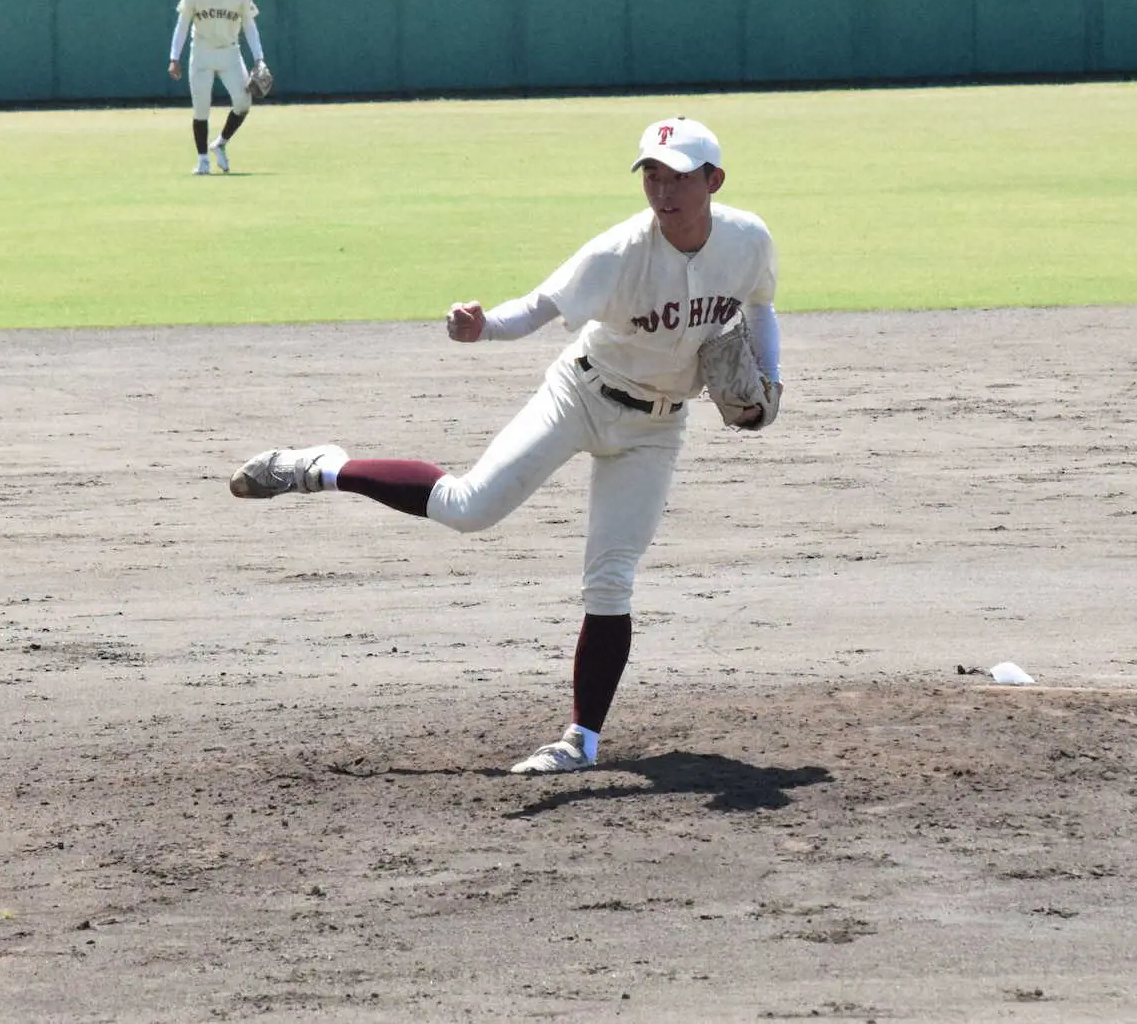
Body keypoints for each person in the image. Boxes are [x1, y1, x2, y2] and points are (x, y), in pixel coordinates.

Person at [229, 116, 783, 774]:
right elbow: (538, 307)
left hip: (655, 431)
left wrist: (770, 382)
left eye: (678, 177)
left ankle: (580, 742)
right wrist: (482, 326)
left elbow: (760, 306)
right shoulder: (617, 252)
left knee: (611, 579)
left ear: (713, 181)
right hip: (580, 395)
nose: (662, 191)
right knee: (468, 507)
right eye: (652, 175)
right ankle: (322, 468)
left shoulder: (748, 240)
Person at [167, 0, 266, 175]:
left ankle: (220, 143)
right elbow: (182, 26)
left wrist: (259, 58)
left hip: (230, 52)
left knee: (243, 103)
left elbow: (250, 26)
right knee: (201, 107)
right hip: (201, 52)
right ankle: (202, 160)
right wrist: (174, 57)